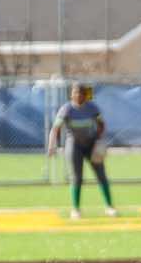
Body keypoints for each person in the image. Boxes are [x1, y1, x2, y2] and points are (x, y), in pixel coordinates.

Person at [47, 82, 117, 220]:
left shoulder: (92, 107)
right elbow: (55, 128)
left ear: (86, 95)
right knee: (77, 177)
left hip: (91, 144)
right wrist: (52, 145)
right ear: (71, 94)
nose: (79, 95)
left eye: (82, 93)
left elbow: (101, 124)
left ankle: (109, 207)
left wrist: (99, 140)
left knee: (101, 175)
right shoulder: (67, 109)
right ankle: (76, 209)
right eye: (76, 92)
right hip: (74, 144)